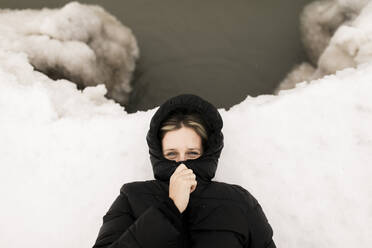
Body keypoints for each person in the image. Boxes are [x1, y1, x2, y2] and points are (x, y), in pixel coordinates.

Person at [92, 94, 276, 248]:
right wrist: (169, 210)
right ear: (159, 153)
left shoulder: (240, 202)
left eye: (192, 153)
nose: (182, 164)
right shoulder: (132, 197)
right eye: (172, 154)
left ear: (207, 152)